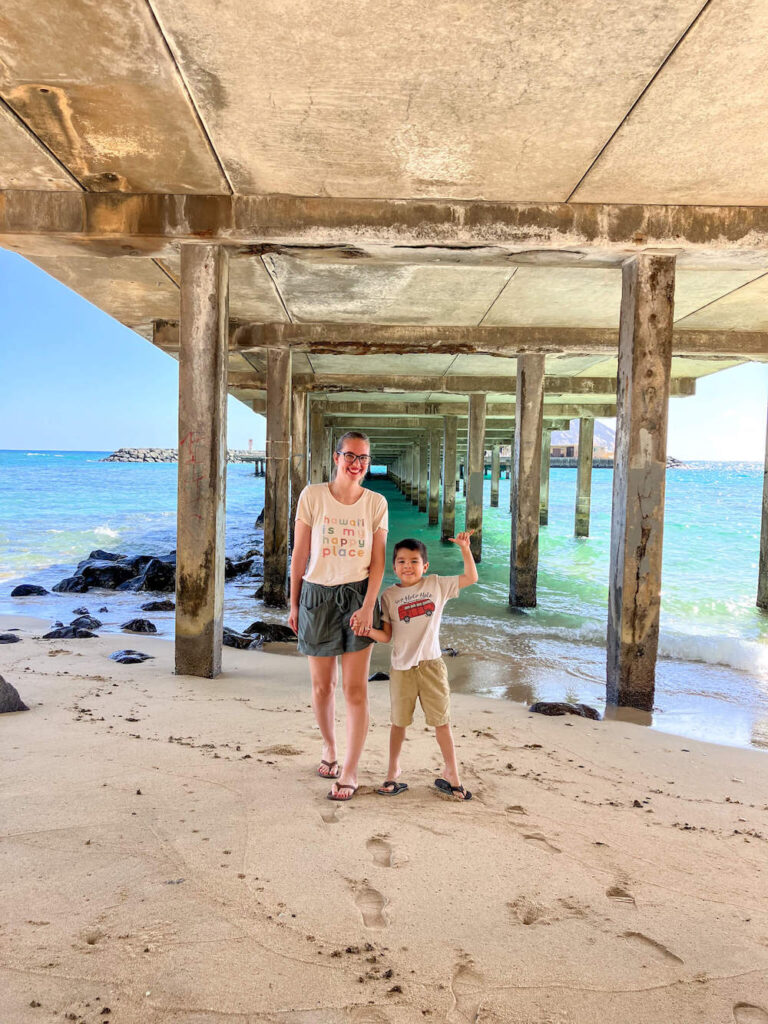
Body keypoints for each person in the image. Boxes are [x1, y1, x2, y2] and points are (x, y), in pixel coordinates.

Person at [288, 431, 388, 801]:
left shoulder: (376, 502)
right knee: (321, 686)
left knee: (355, 690)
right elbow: (299, 555)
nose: (357, 464)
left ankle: (349, 770)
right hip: (316, 595)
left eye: (363, 458)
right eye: (350, 456)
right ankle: (329, 748)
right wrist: (294, 603)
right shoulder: (312, 496)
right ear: (336, 457)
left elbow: (378, 563)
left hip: (359, 596)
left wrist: (367, 607)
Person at [366, 531, 478, 801]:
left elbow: (471, 578)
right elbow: (386, 635)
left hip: (431, 665)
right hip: (402, 669)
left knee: (442, 722)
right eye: (402, 561)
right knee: (398, 723)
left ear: (425, 566)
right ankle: (393, 772)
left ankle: (453, 773)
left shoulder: (436, 585)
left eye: (414, 561)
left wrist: (465, 549)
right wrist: (367, 630)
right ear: (394, 567)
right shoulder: (389, 596)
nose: (408, 566)